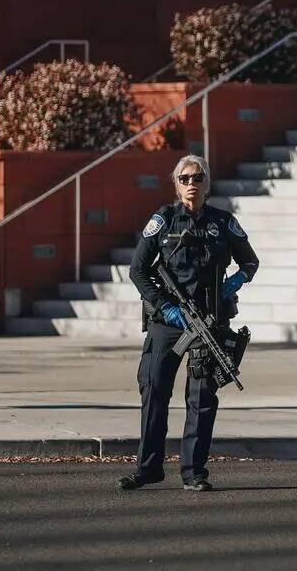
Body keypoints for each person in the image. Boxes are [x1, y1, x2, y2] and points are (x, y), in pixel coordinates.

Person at [118, 154, 259, 492]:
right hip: (168, 322)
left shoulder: (223, 223)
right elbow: (137, 271)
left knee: (201, 398)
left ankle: (193, 472)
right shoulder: (163, 221)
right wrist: (164, 307)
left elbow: (250, 262)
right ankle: (148, 469)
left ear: (207, 183)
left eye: (198, 177)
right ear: (176, 183)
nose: (191, 183)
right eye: (185, 178)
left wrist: (234, 283)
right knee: (154, 391)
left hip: (208, 322)